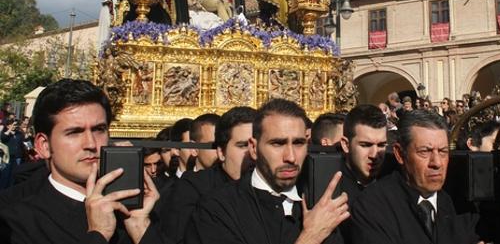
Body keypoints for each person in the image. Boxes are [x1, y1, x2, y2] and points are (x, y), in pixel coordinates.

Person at [0, 79, 165, 244]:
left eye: (99, 129)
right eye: (74, 132)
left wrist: (140, 227)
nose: (91, 144)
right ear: (44, 146)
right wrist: (98, 234)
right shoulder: (15, 221)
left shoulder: (144, 208)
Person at [187, 98, 348, 244]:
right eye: (277, 143)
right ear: (254, 148)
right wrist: (310, 237)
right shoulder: (218, 208)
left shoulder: (322, 205)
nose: (291, 157)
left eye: (298, 143)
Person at [348, 110, 481, 244]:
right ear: (400, 154)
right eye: (424, 151)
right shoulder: (371, 207)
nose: (437, 163)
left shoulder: (457, 204)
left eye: (442, 151)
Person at [163, 107, 258, 243]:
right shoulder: (194, 188)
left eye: (257, 146)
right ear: (221, 152)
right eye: (243, 145)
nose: (253, 154)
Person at [339, 105, 387, 206]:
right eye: (365, 145)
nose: (374, 155)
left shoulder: (396, 179)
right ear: (346, 145)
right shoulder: (330, 190)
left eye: (381, 145)